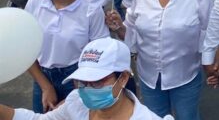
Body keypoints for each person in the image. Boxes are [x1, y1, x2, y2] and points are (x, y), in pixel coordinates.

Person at [105, 0, 211, 119]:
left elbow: (209, 30)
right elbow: (131, 32)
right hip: (149, 77)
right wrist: (118, 28)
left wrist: (210, 61)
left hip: (185, 75)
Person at [0, 37, 174, 119]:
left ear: (123, 78)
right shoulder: (77, 102)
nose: (88, 88)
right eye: (83, 81)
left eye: (98, 81)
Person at [24, 0, 109, 113]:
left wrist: (79, 89)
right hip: (42, 75)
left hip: (77, 77)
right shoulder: (34, 4)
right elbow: (25, 50)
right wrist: (45, 86)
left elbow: (99, 52)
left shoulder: (91, 9)